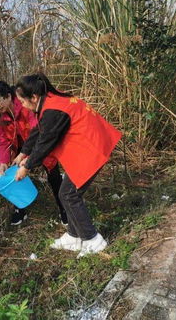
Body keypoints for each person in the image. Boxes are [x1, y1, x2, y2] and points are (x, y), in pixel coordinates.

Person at [12, 73, 121, 257]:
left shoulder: (53, 110)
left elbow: (46, 141)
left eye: (22, 101)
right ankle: (74, 235)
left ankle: (93, 240)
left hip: (91, 146)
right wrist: (24, 152)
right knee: (66, 192)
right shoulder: (50, 100)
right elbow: (39, 130)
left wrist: (27, 166)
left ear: (34, 97)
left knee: (69, 194)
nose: (22, 106)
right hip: (87, 144)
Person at [0, 81, 67, 226]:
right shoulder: (0, 118)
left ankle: (64, 208)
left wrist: (29, 159)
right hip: (18, 148)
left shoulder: (25, 105)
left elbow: (38, 133)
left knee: (53, 175)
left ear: (7, 96)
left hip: (38, 144)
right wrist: (3, 162)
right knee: (13, 176)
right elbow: (2, 141)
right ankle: (20, 209)